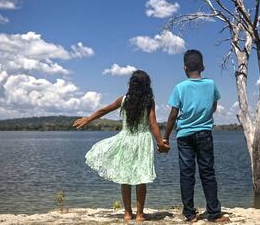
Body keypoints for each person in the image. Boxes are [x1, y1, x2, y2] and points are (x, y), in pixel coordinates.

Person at [73, 70, 169, 222]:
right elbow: (152, 124)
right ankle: (139, 215)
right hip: (142, 141)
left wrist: (88, 119)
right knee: (141, 177)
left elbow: (104, 110)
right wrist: (160, 142)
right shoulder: (148, 102)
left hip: (126, 139)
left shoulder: (123, 100)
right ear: (147, 86)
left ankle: (127, 213)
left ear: (131, 85)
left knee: (125, 176)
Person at [163, 49, 230, 223]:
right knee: (207, 172)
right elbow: (213, 107)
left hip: (184, 135)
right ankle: (214, 214)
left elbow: (172, 115)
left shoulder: (180, 87)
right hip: (204, 133)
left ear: (184, 68)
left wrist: (166, 137)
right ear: (203, 67)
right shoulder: (211, 84)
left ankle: (190, 214)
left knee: (187, 174)